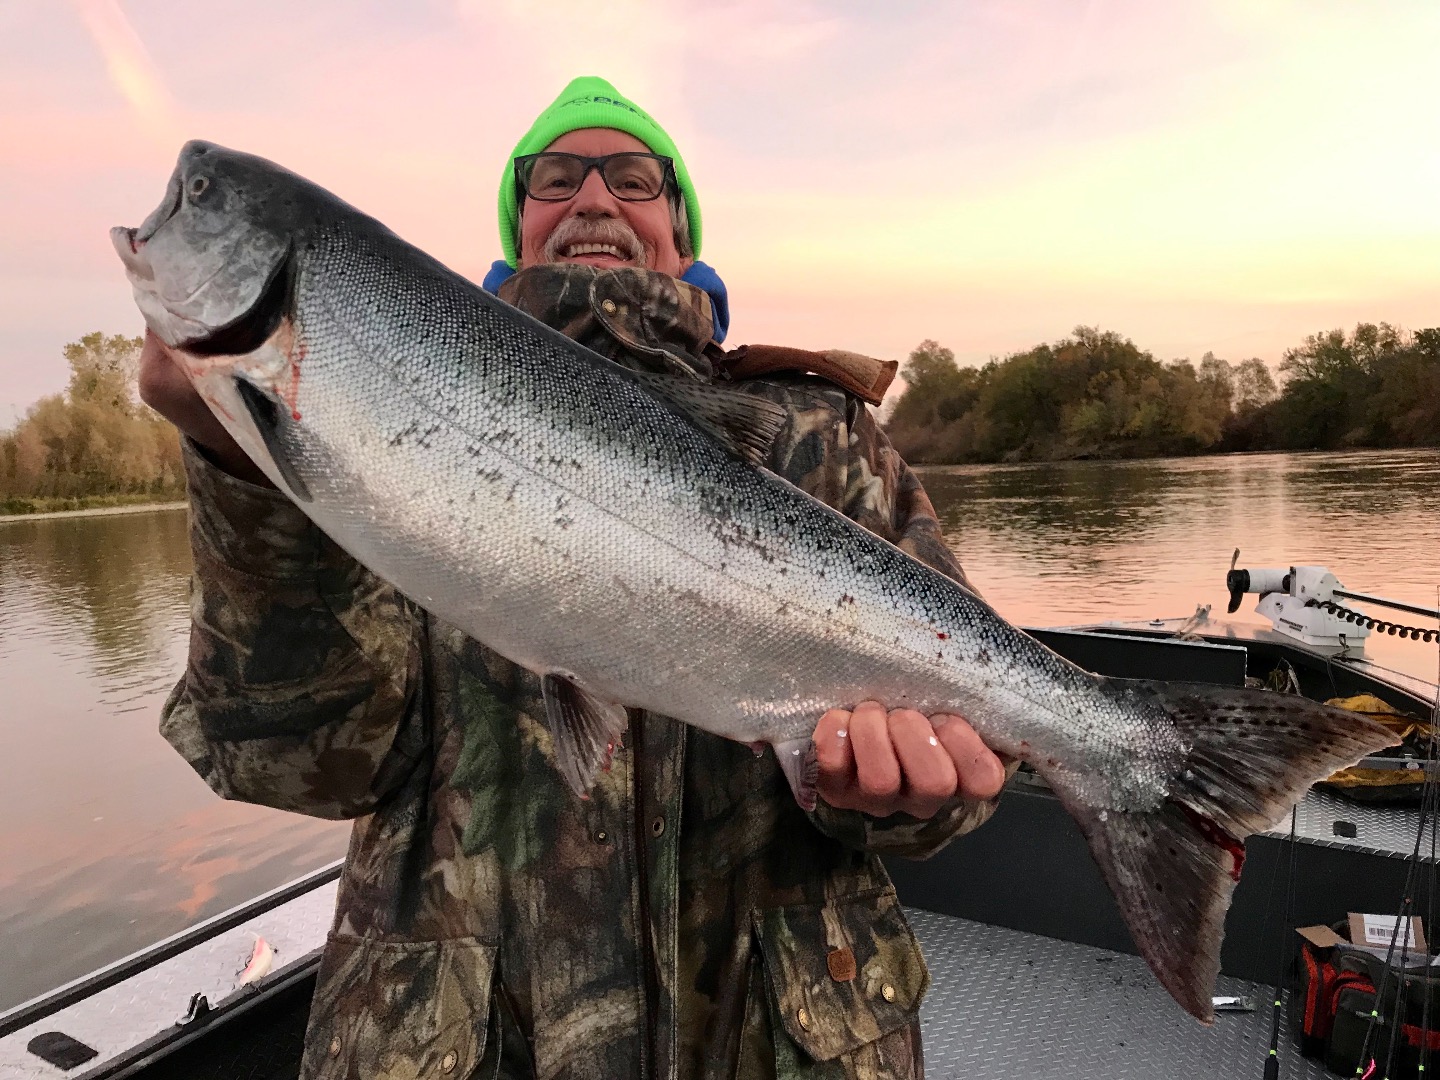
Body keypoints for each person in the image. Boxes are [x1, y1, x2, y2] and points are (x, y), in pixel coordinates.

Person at [140, 76, 1012, 1080]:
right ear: (518, 224)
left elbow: (969, 765)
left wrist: (897, 796)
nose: (592, 200)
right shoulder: (379, 432)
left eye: (633, 178)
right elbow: (299, 764)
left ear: (681, 234)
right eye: (556, 177)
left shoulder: (827, 436)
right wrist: (242, 469)